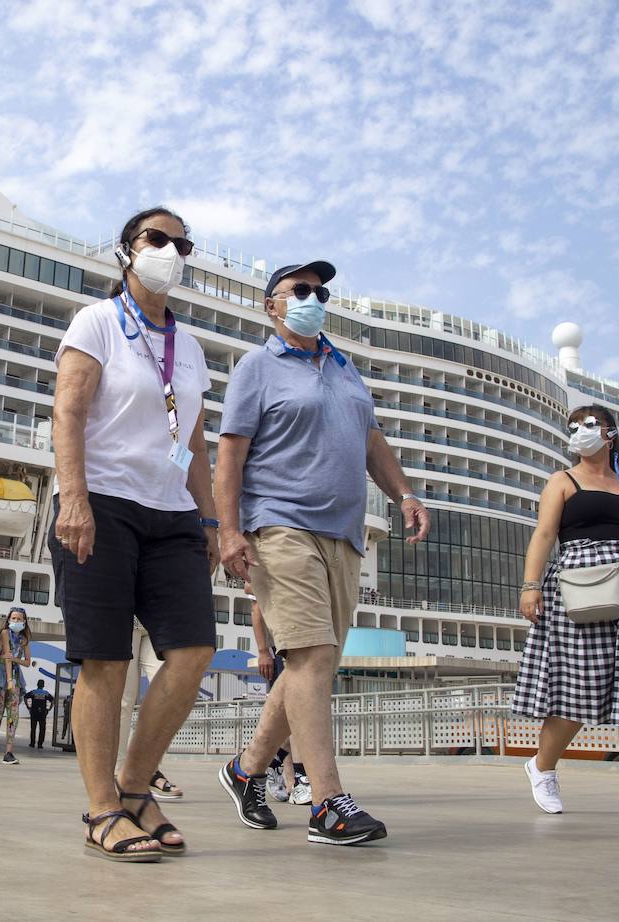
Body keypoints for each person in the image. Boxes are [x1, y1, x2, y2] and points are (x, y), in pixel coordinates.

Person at [216, 260, 430, 847]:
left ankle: (245, 770)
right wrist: (228, 533)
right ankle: (327, 802)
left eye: (321, 290)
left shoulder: (344, 368)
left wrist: (404, 493)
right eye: (300, 290)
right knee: (310, 657)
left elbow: (370, 440)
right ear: (272, 305)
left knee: (315, 665)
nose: (314, 298)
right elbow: (230, 456)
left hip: (344, 533)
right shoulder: (257, 369)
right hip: (279, 524)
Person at [51, 206, 219, 862]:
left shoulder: (193, 348)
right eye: (158, 239)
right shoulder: (97, 322)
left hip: (172, 511)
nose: (171, 251)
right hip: (104, 504)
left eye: (182, 243)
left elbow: (195, 442)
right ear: (127, 250)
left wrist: (208, 520)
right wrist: (75, 500)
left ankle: (132, 785)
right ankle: (102, 810)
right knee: (106, 659)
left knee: (193, 651)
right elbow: (68, 409)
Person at [513, 405, 619, 820]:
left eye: (589, 425)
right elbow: (545, 533)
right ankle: (542, 765)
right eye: (573, 427)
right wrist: (530, 585)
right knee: (580, 688)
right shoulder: (563, 480)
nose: (580, 432)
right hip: (579, 587)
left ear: (610, 433)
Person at [250, 590, 307, 805]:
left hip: (302, 642)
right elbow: (256, 606)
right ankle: (298, 777)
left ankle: (278, 762)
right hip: (279, 648)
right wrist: (263, 651)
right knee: (293, 713)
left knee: (295, 714)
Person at [117, 622, 183, 799]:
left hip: (155, 618)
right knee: (124, 701)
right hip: (125, 615)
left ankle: (144, 769)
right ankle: (119, 774)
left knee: (171, 693)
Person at [0, 606, 31, 765]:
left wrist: (15, 661)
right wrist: (9, 680)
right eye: (14, 618)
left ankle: (9, 752)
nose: (16, 621)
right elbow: (6, 658)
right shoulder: (4, 633)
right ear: (9, 619)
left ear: (24, 621)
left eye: (19, 619)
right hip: (2, 674)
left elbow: (27, 662)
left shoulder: (24, 639)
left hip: (16, 675)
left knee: (13, 715)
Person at [24, 679, 54, 749]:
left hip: (34, 712)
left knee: (33, 729)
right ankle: (40, 744)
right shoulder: (46, 693)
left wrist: (28, 706)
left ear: (37, 685)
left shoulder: (33, 692)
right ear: (43, 685)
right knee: (42, 729)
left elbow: (25, 697)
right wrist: (49, 709)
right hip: (42, 713)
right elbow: (52, 700)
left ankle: (32, 743)